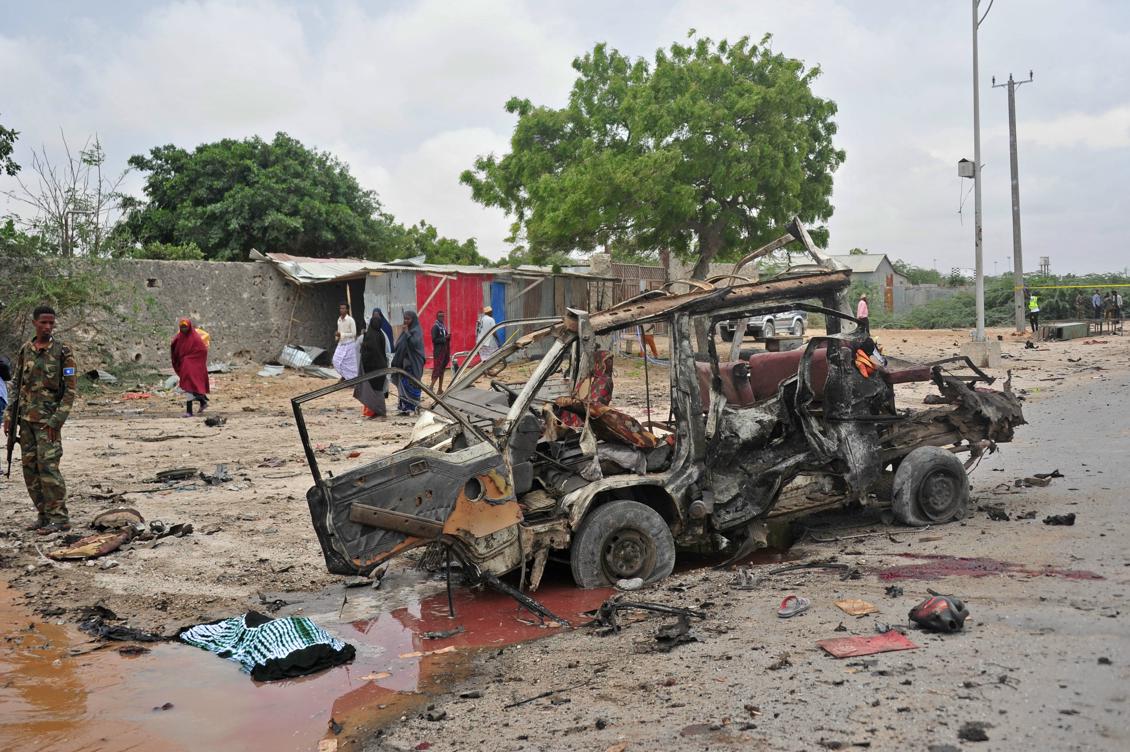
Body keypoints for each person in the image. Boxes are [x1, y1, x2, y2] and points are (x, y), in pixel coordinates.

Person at [2, 305, 77, 534]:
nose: (47, 327)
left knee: (49, 469)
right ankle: (43, 515)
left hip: (48, 423)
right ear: (35, 323)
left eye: (51, 323)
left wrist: (56, 421)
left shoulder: (63, 352)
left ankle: (59, 518)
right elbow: (17, 386)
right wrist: (9, 416)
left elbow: (70, 392)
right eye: (43, 323)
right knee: (30, 469)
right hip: (25, 421)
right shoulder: (26, 349)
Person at [171, 318, 210, 416]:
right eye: (182, 327)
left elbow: (202, 351)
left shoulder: (195, 338)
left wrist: (193, 359)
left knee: (188, 385)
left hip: (192, 364)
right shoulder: (179, 337)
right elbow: (174, 348)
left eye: (185, 327)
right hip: (185, 363)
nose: (183, 329)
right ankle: (203, 401)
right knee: (191, 385)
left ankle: (189, 411)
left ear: (189, 327)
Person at [354, 309, 389, 419]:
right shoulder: (381, 335)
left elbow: (367, 353)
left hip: (372, 367)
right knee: (378, 390)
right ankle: (378, 411)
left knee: (373, 390)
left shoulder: (369, 336)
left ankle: (377, 411)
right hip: (381, 365)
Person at [391, 310, 425, 416]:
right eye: (404, 318)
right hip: (404, 364)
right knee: (403, 386)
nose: (405, 321)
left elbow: (415, 344)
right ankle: (404, 407)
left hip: (413, 363)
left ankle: (413, 407)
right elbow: (398, 345)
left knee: (412, 385)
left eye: (408, 319)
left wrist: (407, 333)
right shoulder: (405, 331)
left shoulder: (416, 330)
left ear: (413, 319)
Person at [332, 303, 359, 380]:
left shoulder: (351, 320)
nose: (342, 310)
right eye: (341, 308)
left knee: (350, 364)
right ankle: (345, 376)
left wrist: (342, 334)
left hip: (350, 344)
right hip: (341, 344)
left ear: (347, 310)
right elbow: (339, 331)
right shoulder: (339, 320)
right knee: (335, 360)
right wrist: (337, 336)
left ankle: (351, 379)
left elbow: (354, 333)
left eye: (344, 308)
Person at [430, 311, 451, 393]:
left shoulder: (443, 327)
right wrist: (445, 338)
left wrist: (448, 337)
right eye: (440, 316)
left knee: (442, 370)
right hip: (439, 352)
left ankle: (440, 389)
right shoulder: (435, 327)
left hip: (444, 351)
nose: (442, 318)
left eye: (443, 316)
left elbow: (445, 339)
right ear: (437, 317)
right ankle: (431, 387)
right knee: (437, 370)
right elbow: (434, 340)